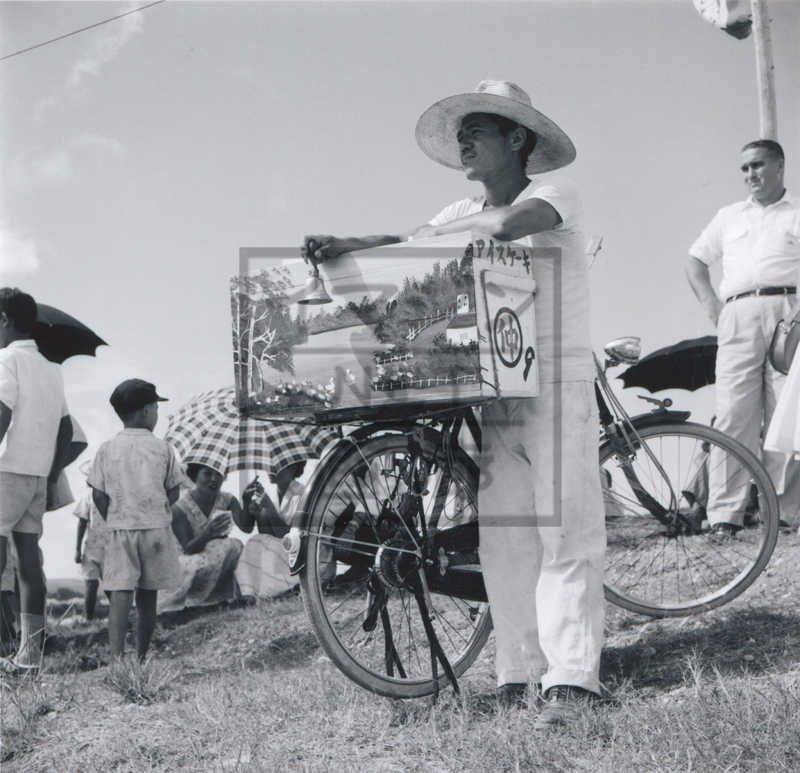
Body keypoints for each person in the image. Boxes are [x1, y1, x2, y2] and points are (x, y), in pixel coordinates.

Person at [302, 80, 606, 728]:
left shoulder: (553, 195)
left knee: (564, 531)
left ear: (518, 138)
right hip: (495, 386)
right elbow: (413, 242)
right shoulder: (459, 209)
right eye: (461, 131)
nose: (465, 139)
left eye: (479, 128)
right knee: (506, 538)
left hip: (554, 380)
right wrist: (350, 244)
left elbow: (503, 226)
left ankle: (573, 679)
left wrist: (433, 237)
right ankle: (521, 673)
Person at [686, 140, 800, 533]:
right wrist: (712, 308)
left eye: (758, 165)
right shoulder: (729, 215)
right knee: (734, 413)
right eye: (744, 168)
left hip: (789, 312)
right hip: (736, 313)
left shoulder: (797, 212)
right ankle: (724, 516)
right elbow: (695, 260)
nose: (750, 175)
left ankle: (782, 514)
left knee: (787, 413)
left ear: (780, 165)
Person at [0, 288, 72, 676]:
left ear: (4, 320)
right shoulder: (51, 368)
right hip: (37, 474)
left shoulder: (5, 360)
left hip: (6, 468)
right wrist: (54, 470)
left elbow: (2, 411)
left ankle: (7, 643)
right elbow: (65, 427)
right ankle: (30, 655)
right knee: (28, 561)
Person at [88, 379, 183, 660]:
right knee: (148, 597)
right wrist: (156, 508)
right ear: (145, 411)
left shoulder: (106, 449)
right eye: (155, 407)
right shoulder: (164, 449)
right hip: (155, 530)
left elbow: (97, 495)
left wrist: (115, 518)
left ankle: (117, 661)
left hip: (121, 530)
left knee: (120, 595)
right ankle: (140, 658)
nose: (156, 413)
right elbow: (174, 490)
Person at [157, 463, 244, 613]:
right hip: (187, 557)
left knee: (235, 545)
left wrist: (248, 500)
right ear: (195, 476)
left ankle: (224, 597)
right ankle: (184, 605)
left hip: (216, 557)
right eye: (207, 474)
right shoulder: (179, 507)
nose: (214, 480)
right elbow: (189, 548)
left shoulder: (227, 499)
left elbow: (246, 527)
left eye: (218, 474)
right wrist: (209, 531)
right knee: (206, 555)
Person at [234, 461, 306, 601]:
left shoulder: (303, 494)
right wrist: (258, 513)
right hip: (280, 550)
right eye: (268, 465)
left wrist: (271, 511)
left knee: (264, 543)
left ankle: (268, 591)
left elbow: (292, 539)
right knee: (255, 541)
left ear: (292, 468)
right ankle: (248, 593)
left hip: (301, 552)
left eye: (276, 466)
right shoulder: (270, 492)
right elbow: (267, 534)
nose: (270, 470)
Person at [73, 481, 110, 621]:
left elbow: (82, 522)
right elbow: (82, 522)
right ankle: (88, 618)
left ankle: (117, 617)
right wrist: (77, 549)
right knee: (92, 584)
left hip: (107, 546)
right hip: (96, 547)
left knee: (105, 585)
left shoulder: (114, 495)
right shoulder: (89, 496)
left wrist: (77, 549)